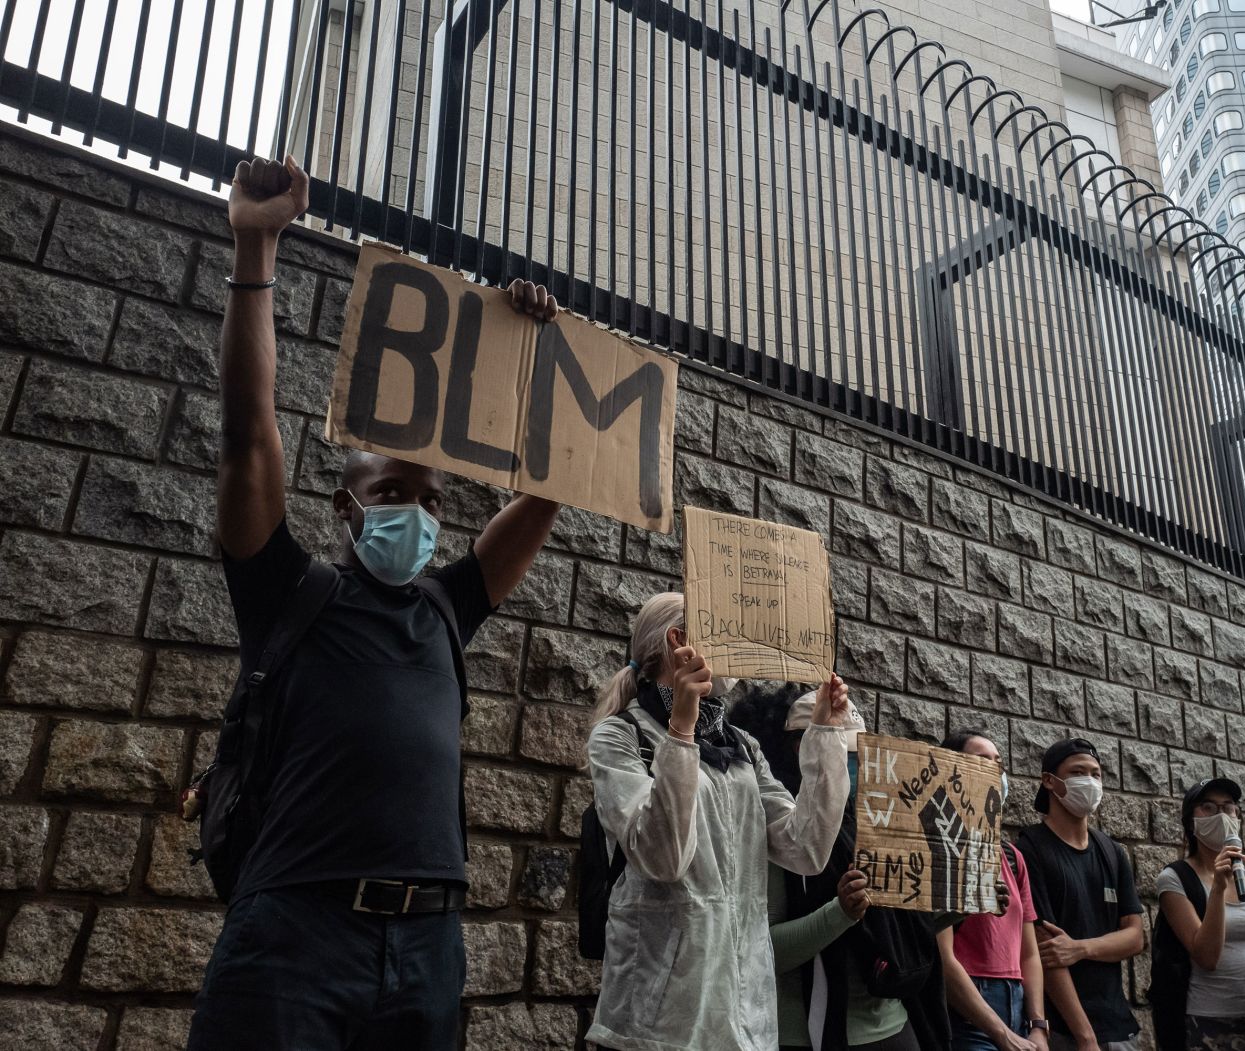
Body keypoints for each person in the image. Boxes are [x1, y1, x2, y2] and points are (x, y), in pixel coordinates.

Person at [187, 158, 562, 1051]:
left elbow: (549, 487)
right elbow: (249, 433)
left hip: (431, 949)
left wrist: (538, 354)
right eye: (395, 490)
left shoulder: (445, 605)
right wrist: (255, 243)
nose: (420, 513)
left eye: (433, 499)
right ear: (345, 508)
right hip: (295, 940)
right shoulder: (289, 592)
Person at [585, 592, 852, 1050]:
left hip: (744, 1016)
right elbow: (663, 858)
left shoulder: (743, 746)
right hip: (659, 1023)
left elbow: (804, 849)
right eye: (724, 629)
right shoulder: (620, 735)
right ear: (679, 640)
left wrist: (826, 735)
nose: (740, 644)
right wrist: (681, 734)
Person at [731, 685, 946, 1051]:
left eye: (859, 753)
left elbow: (905, 926)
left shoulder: (879, 824)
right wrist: (840, 913)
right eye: (839, 750)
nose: (852, 764)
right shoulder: (774, 833)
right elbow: (759, 948)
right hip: (806, 1034)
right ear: (795, 749)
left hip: (893, 1024)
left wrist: (959, 902)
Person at [1016, 739, 1143, 1051]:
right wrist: (1085, 1038)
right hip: (1064, 1032)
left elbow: (1136, 937)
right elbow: (1048, 953)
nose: (1090, 781)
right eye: (1077, 772)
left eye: (1096, 774)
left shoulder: (1112, 852)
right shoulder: (1029, 849)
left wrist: (1080, 948)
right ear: (1049, 781)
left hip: (1119, 1026)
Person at [1153, 778, 1245, 1051]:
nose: (1221, 815)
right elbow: (1206, 957)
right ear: (1190, 822)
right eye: (1207, 807)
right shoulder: (1175, 879)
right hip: (1210, 1020)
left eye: (1228, 808)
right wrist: (1217, 889)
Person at [935, 731, 1050, 1051]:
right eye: (982, 761)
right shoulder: (938, 850)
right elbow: (942, 959)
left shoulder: (1011, 858)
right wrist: (1000, 1033)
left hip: (1017, 1005)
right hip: (967, 1010)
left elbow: (1029, 952)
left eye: (998, 762)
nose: (995, 770)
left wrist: (1038, 1026)